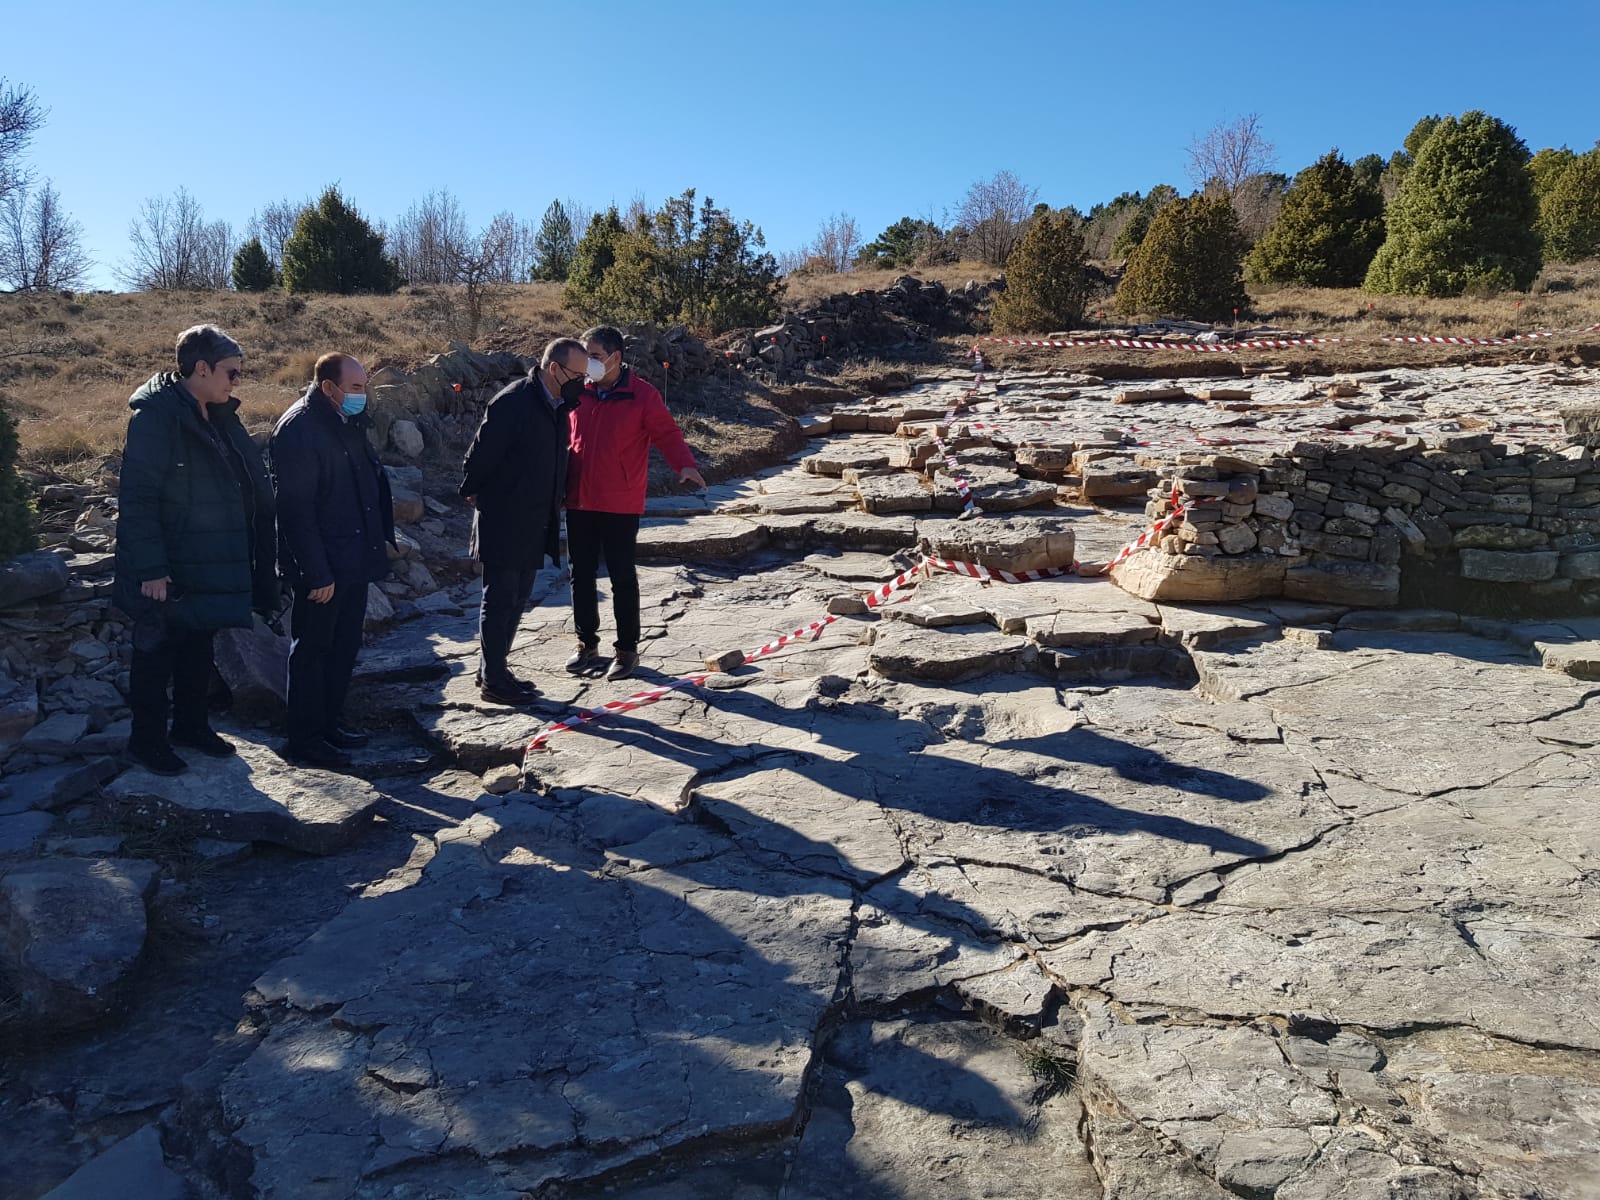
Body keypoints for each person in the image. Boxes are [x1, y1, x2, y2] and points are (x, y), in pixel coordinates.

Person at [113, 325, 278, 776]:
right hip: (166, 566)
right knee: (155, 654)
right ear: (200, 369)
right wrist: (151, 568)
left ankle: (191, 726)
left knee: (197, 647)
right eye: (231, 372)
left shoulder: (217, 414)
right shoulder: (156, 418)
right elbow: (139, 497)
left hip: (204, 560)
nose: (236, 381)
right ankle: (145, 742)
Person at [270, 353, 394, 768]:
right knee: (313, 650)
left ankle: (330, 724)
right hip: (324, 567)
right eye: (357, 388)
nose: (364, 395)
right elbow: (295, 510)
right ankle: (304, 738)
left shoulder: (346, 420)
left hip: (353, 557)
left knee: (343, 646)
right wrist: (315, 572)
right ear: (330, 388)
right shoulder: (300, 429)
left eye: (365, 387)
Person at [565, 326, 705, 682]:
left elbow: (667, 434)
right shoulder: (577, 392)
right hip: (579, 497)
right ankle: (586, 644)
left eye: (594, 356)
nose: (588, 364)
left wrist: (685, 464)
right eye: (585, 357)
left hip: (620, 501)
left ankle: (626, 651)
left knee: (621, 578)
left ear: (615, 357)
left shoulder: (642, 395)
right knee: (579, 575)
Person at [460, 337, 587, 705]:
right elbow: (481, 454)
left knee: (518, 597)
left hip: (536, 516)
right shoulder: (513, 402)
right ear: (554, 369)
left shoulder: (560, 404)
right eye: (576, 374)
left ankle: (494, 669)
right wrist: (473, 488)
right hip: (504, 514)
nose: (582, 381)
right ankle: (494, 681)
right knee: (499, 598)